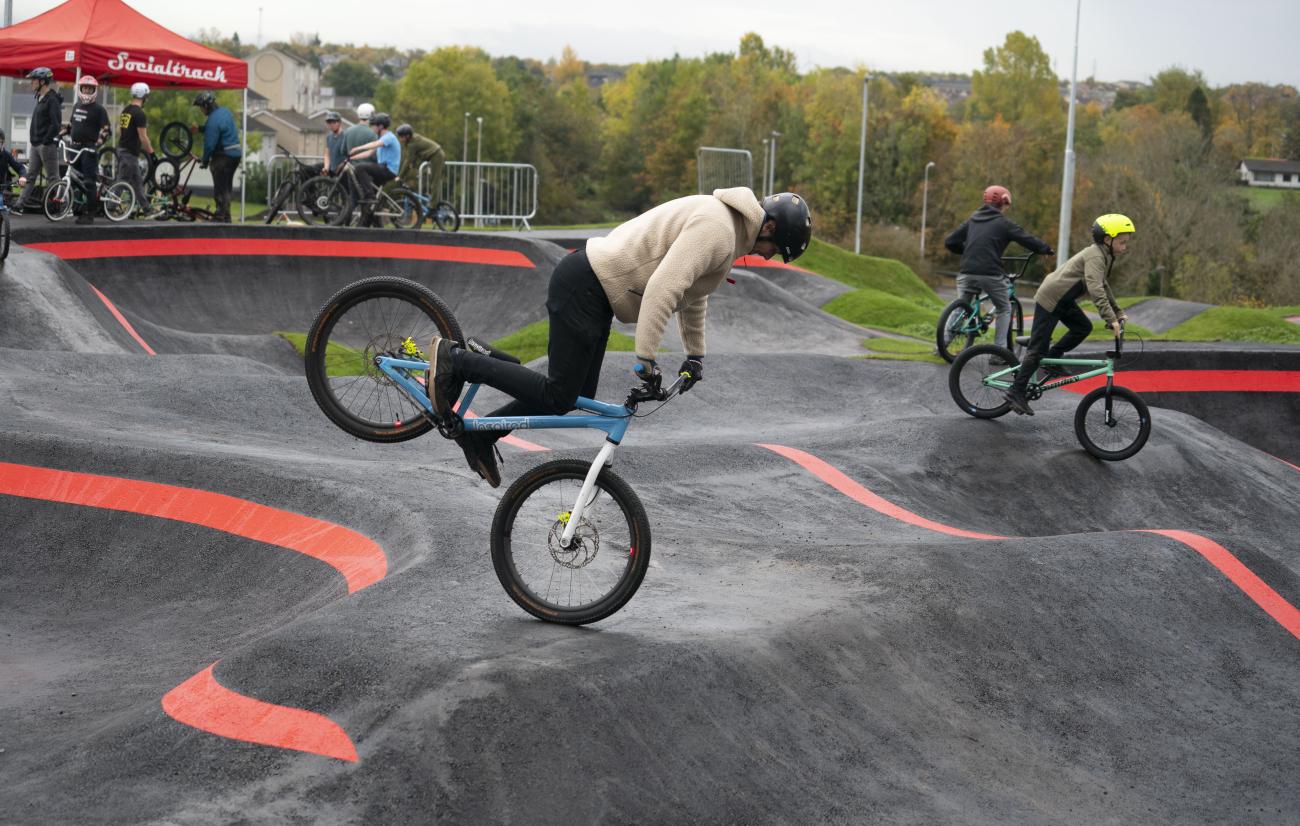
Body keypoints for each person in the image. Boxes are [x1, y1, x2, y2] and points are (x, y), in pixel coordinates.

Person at [425, 188, 814, 487]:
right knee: (559, 393)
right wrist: (645, 358)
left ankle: (482, 432)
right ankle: (458, 361)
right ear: (769, 227)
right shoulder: (718, 229)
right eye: (772, 251)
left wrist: (695, 355)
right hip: (586, 285)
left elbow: (692, 294)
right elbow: (665, 288)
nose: (766, 258)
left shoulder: (726, 231)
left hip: (596, 291)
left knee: (570, 396)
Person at [1004, 214, 1135, 416]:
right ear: (1108, 240)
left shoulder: (1104, 256)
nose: (1125, 247)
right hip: (1051, 299)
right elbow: (1095, 289)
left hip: (1063, 300)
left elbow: (1103, 285)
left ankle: (1053, 356)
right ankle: (1016, 392)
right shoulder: (1095, 256)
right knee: (1037, 349)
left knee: (1083, 327)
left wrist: (1118, 312)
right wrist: (1110, 319)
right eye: (1122, 242)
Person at [944, 185, 1054, 357]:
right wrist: (1045, 249)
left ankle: (942, 346)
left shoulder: (973, 219)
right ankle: (999, 353)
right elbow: (1025, 238)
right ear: (1004, 202)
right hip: (990, 273)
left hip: (966, 272)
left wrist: (966, 251)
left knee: (960, 308)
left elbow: (950, 241)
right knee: (1004, 308)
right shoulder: (1003, 223)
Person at [65, 75, 110, 225]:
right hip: (75, 147)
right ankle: (80, 208)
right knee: (76, 179)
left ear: (94, 90)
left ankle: (90, 214)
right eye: (84, 88)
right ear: (80, 89)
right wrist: (58, 136)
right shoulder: (77, 105)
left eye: (90, 89)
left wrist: (98, 143)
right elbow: (71, 126)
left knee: (89, 182)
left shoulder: (99, 110)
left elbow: (106, 130)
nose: (87, 91)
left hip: (88, 149)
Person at [17, 68, 63, 214]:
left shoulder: (52, 100)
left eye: (34, 80)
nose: (31, 83)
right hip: (36, 145)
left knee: (53, 178)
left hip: (46, 145)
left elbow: (55, 124)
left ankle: (63, 206)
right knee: (31, 177)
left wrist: (45, 140)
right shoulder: (40, 98)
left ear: (42, 82)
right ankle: (19, 204)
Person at [193, 91, 242, 222]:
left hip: (224, 156)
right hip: (236, 154)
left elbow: (209, 145)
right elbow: (220, 128)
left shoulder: (212, 121)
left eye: (201, 107)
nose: (201, 110)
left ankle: (220, 215)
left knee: (220, 185)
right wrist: (201, 129)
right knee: (227, 186)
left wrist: (204, 161)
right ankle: (227, 216)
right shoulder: (225, 112)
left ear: (206, 106)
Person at [347, 112, 400, 224]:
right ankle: (366, 225)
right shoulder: (382, 139)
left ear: (380, 126)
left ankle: (370, 196)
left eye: (373, 125)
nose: (372, 128)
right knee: (370, 206)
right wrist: (351, 157)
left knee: (360, 168)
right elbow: (369, 153)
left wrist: (357, 148)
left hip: (388, 170)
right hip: (382, 169)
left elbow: (373, 144)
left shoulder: (388, 137)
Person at [117, 82, 154, 211]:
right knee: (122, 181)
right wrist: (151, 153)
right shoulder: (139, 114)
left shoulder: (126, 110)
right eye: (147, 95)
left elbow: (120, 131)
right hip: (129, 152)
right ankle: (109, 207)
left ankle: (146, 208)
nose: (147, 99)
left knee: (137, 181)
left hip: (122, 149)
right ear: (143, 96)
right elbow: (143, 137)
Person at [394, 123, 443, 194]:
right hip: (432, 156)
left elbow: (408, 160)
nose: (400, 139)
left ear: (407, 136)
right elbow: (413, 157)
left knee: (434, 182)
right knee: (427, 179)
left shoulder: (412, 144)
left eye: (401, 137)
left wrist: (400, 176)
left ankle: (433, 205)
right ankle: (430, 200)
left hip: (436, 155)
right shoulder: (412, 139)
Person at [1, 129, 29, 202]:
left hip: (2, 189)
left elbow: (20, 168)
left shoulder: (6, 155)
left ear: (3, 143)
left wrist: (22, 177)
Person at [319, 111, 347, 176]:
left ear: (340, 123)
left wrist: (341, 165)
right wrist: (326, 168)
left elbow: (349, 156)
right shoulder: (329, 137)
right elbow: (327, 154)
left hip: (343, 170)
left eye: (334, 122)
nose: (331, 124)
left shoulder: (345, 136)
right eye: (329, 122)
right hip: (332, 168)